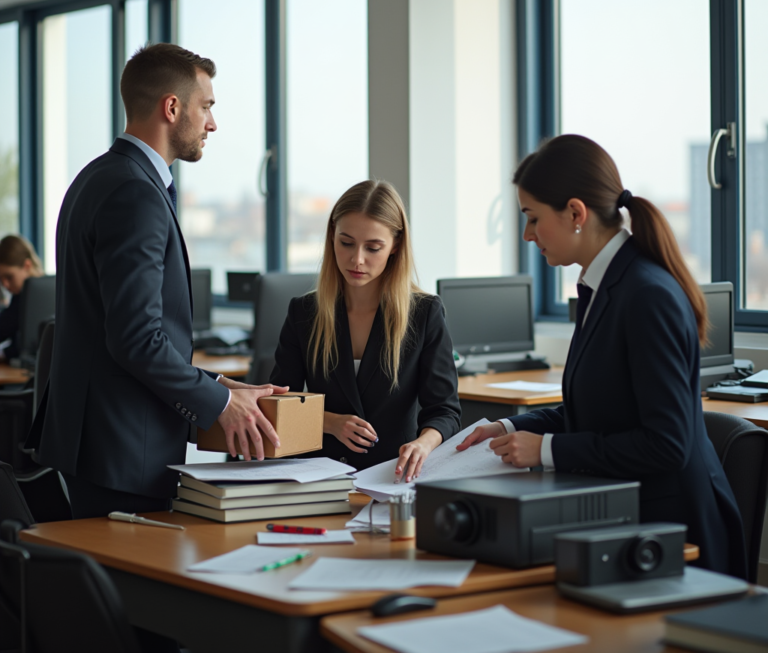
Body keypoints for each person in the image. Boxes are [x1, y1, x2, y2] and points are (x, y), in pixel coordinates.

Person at [458, 134, 747, 579]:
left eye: (533, 218)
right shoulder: (602, 287)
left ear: (576, 213)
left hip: (675, 535)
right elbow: (596, 412)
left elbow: (665, 444)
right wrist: (510, 425)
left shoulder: (646, 294)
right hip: (628, 519)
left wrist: (547, 449)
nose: (527, 234)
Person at [29, 43, 287, 520]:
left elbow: (115, 333)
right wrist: (219, 403)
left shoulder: (96, 177)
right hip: (121, 451)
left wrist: (217, 383)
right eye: (206, 106)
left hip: (97, 442)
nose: (212, 124)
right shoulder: (135, 192)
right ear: (172, 107)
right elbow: (135, 338)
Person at [271, 179, 461, 482]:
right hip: (317, 476)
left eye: (373, 248)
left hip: (391, 476)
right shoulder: (304, 312)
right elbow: (278, 403)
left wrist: (423, 443)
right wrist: (329, 422)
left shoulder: (424, 313)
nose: (357, 259)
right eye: (346, 243)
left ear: (395, 246)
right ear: (332, 237)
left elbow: (445, 411)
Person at [0, 235, 44, 361]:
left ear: (27, 265)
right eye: (1, 279)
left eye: (9, 277)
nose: (5, 284)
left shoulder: (24, 298)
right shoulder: (53, 289)